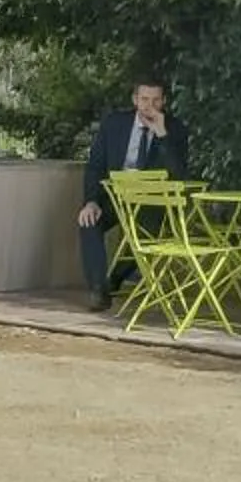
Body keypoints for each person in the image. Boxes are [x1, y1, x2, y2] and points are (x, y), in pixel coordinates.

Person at [78, 77, 190, 311]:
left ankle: (115, 279)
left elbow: (178, 174)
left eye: (156, 100)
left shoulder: (175, 128)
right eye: (145, 99)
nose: (150, 105)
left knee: (143, 236)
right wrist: (91, 201)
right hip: (115, 196)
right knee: (89, 222)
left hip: (151, 201)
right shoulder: (114, 124)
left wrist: (161, 134)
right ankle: (98, 290)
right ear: (135, 100)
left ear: (164, 101)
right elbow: (95, 165)